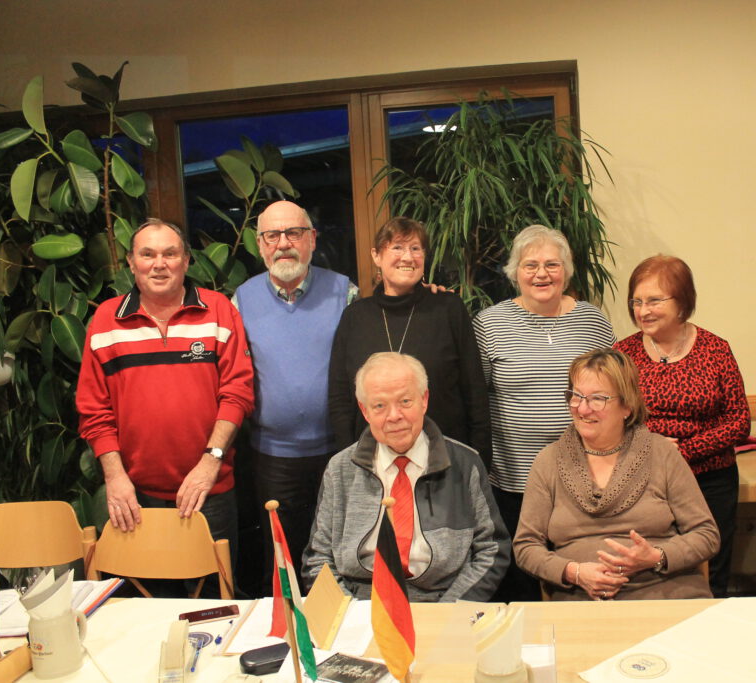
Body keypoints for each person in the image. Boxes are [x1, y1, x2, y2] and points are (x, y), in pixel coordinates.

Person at [77, 218, 254, 561]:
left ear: (186, 261)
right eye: (148, 254)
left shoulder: (218, 310)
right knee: (150, 591)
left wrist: (210, 462)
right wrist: (114, 477)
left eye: (170, 254)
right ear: (131, 263)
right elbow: (93, 409)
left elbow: (238, 392)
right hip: (134, 495)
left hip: (209, 489)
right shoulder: (106, 320)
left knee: (215, 591)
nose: (159, 264)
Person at [473, 224, 615, 601]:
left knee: (581, 577)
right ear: (514, 272)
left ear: (566, 270)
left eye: (552, 264)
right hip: (513, 482)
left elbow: (616, 393)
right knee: (523, 584)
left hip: (585, 479)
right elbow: (477, 400)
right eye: (530, 265)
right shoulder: (489, 324)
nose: (542, 274)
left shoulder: (593, 322)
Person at [514, 348, 719, 600]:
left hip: (665, 592)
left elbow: (706, 534)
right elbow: (525, 547)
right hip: (581, 598)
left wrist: (656, 556)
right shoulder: (548, 461)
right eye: (576, 396)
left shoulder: (661, 453)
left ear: (627, 406)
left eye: (597, 399)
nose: (582, 409)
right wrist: (574, 572)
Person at [303, 352, 510, 601]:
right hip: (361, 604)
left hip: (442, 601)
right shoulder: (340, 469)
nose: (394, 416)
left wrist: (448, 611)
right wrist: (351, 613)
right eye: (379, 406)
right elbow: (317, 560)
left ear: (424, 400)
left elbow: (491, 550)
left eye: (405, 401)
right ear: (365, 411)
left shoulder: (465, 464)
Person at [233, 200, 358, 586]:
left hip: (338, 452)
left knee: (341, 554)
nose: (284, 243)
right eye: (273, 235)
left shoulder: (345, 292)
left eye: (294, 233)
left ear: (312, 239)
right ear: (260, 244)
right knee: (281, 559)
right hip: (273, 458)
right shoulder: (241, 300)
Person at [614, 255, 749, 598]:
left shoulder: (715, 349)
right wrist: (655, 448)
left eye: (654, 300)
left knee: (712, 569)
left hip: (710, 479)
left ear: (682, 301)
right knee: (654, 574)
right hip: (646, 481)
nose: (643, 311)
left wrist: (685, 450)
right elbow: (613, 418)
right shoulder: (623, 354)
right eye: (637, 302)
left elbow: (738, 421)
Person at [328, 217, 491, 465]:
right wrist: (349, 460)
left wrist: (478, 460)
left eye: (415, 248)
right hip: (372, 461)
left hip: (445, 460)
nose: (408, 257)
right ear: (376, 256)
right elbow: (340, 397)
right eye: (397, 247)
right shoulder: (355, 317)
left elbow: (474, 391)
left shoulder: (448, 309)